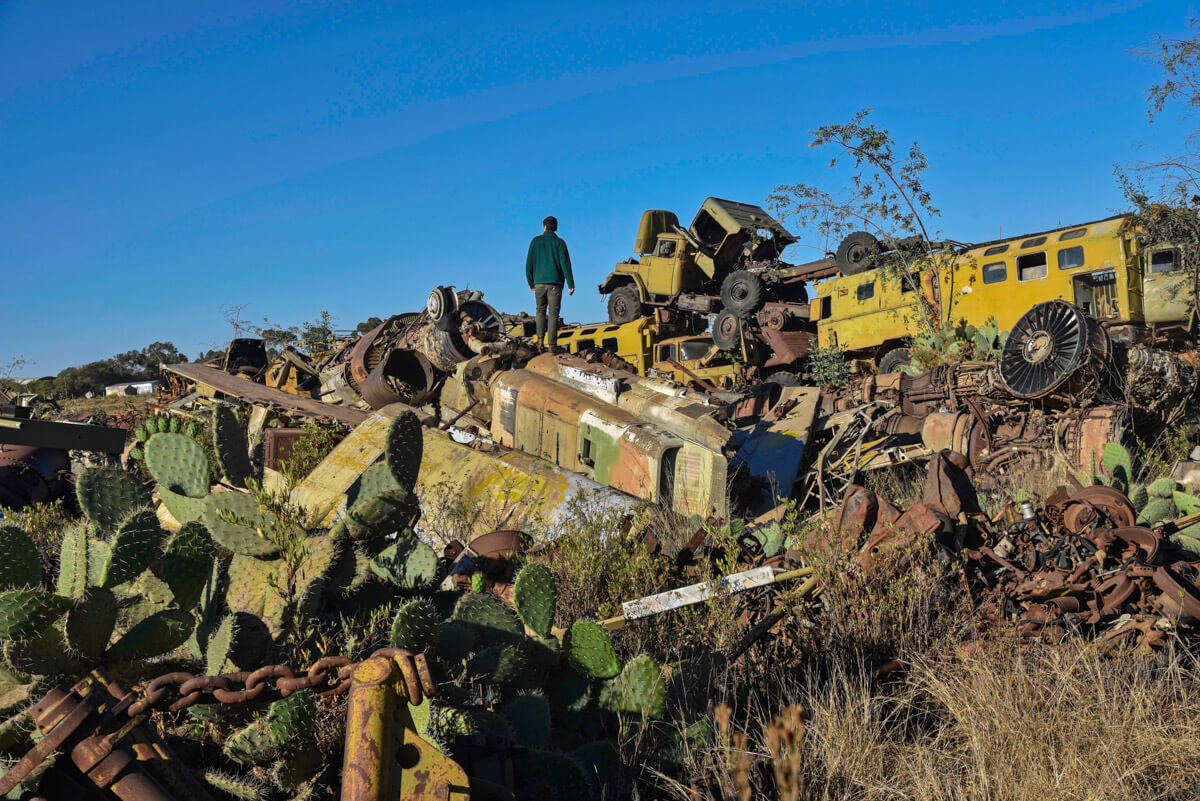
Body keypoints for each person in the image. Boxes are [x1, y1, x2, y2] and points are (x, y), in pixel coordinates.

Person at [526, 215, 575, 352]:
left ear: (544, 227)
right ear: (556, 228)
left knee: (540, 310)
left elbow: (529, 263)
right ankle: (552, 345)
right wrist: (571, 284)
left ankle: (540, 343)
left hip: (539, 283)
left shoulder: (535, 242)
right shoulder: (559, 243)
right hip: (555, 283)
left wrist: (530, 281)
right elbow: (565, 265)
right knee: (553, 314)